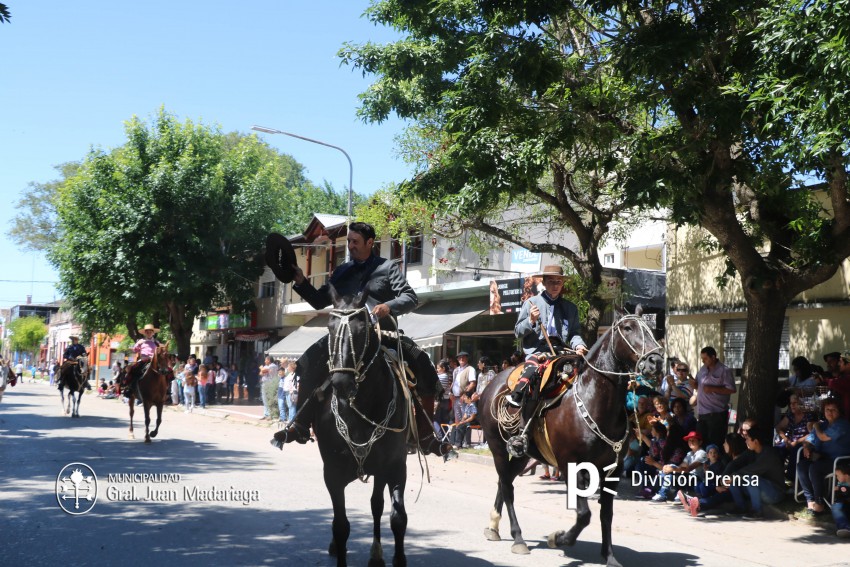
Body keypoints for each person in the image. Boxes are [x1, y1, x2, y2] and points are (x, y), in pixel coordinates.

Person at [276, 222, 452, 457]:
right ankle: (300, 425)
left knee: (422, 363)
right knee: (307, 361)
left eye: (354, 242)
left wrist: (387, 307)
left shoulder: (388, 268)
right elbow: (320, 301)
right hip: (344, 337)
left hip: (382, 334)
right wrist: (301, 281)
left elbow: (410, 297)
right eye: (348, 241)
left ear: (370, 243)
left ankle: (427, 436)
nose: (350, 246)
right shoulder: (341, 271)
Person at [510, 265, 588, 408]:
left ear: (562, 284)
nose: (555, 285)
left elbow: (574, 333)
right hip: (537, 351)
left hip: (561, 351)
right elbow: (517, 332)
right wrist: (531, 321)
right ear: (544, 283)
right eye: (551, 281)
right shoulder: (531, 303)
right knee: (534, 375)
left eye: (559, 281)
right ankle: (520, 401)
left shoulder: (570, 308)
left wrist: (579, 345)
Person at [797, 397, 850, 514]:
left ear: (839, 411)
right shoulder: (824, 424)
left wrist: (815, 426)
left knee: (815, 468)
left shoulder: (842, 424)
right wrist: (806, 446)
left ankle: (819, 503)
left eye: (833, 410)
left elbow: (822, 437)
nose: (830, 412)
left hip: (840, 461)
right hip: (823, 458)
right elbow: (810, 439)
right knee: (802, 465)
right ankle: (810, 500)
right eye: (827, 409)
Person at [694, 346, 736, 451]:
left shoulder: (724, 370)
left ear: (713, 357)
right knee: (701, 444)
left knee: (715, 445)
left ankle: (715, 466)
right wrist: (694, 384)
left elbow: (731, 389)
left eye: (705, 358)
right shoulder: (703, 369)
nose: (703, 361)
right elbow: (699, 386)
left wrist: (713, 388)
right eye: (702, 359)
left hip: (716, 414)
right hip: (702, 414)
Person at [774, 393, 816, 481]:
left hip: (802, 443)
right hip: (788, 442)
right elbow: (778, 427)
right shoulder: (790, 415)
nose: (792, 405)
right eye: (790, 403)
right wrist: (785, 439)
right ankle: (777, 477)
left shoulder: (808, 416)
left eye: (795, 403)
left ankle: (790, 479)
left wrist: (796, 442)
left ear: (801, 403)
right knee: (777, 450)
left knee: (796, 450)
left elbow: (811, 433)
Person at [122, 324, 162, 396]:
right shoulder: (141, 341)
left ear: (153, 333)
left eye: (150, 332)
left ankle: (165, 389)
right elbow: (135, 350)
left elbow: (161, 351)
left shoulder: (156, 342)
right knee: (132, 369)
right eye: (147, 332)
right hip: (144, 360)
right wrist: (138, 345)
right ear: (145, 333)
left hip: (154, 360)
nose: (149, 333)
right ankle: (129, 387)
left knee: (165, 370)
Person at [832, 462, 850, 538]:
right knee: (836, 507)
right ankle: (845, 528)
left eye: (838, 476)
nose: (837, 478)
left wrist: (839, 489)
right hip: (844, 505)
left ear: (846, 476)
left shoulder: (842, 487)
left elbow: (845, 490)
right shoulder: (840, 485)